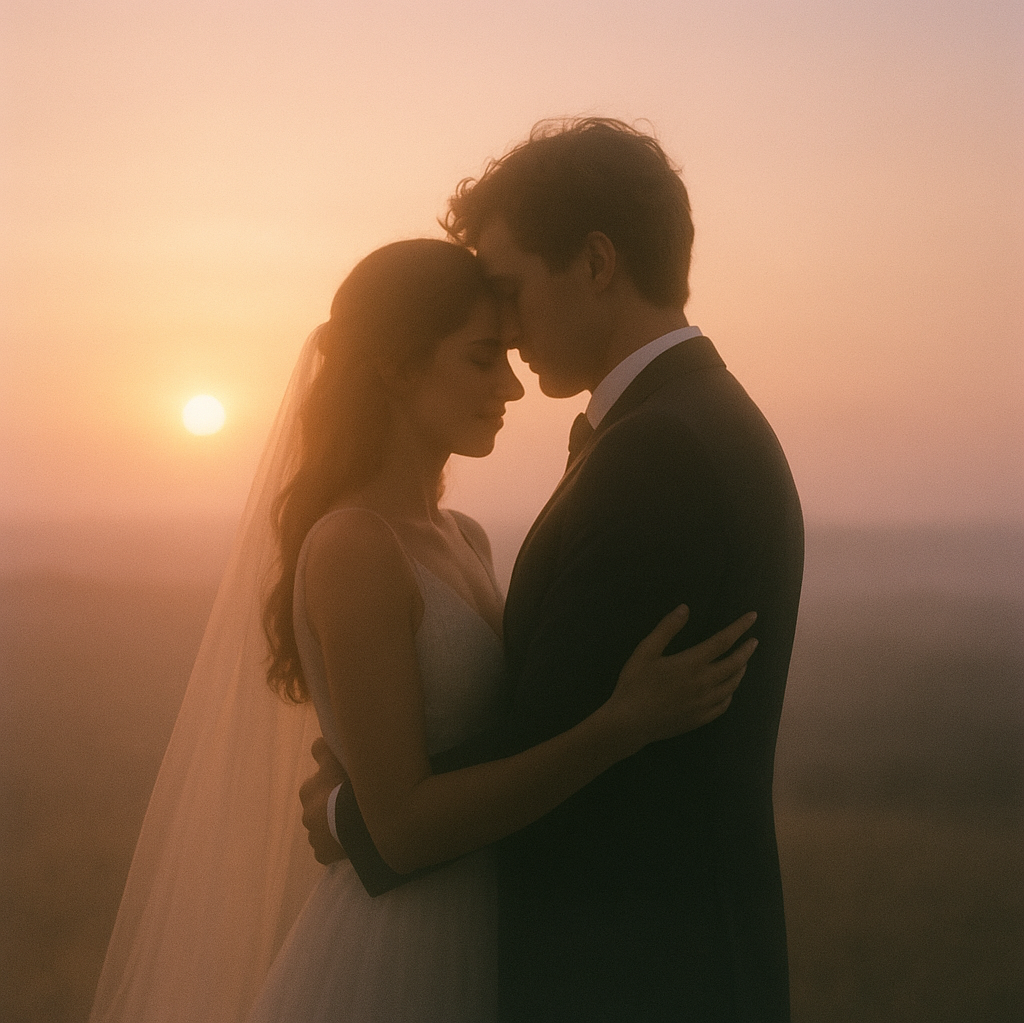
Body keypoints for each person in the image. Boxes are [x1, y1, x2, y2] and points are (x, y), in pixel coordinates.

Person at [89, 236, 756, 1023]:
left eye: (507, 356)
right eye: (481, 359)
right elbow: (402, 830)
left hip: (488, 937)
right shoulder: (352, 546)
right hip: (396, 957)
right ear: (397, 368)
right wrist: (621, 724)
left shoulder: (463, 536)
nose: (511, 386)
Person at [303, 119, 805, 1022]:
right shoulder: (686, 422)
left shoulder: (660, 453)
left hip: (637, 975)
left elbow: (553, 723)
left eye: (510, 288)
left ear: (597, 262)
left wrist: (358, 815)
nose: (507, 328)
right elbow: (557, 717)